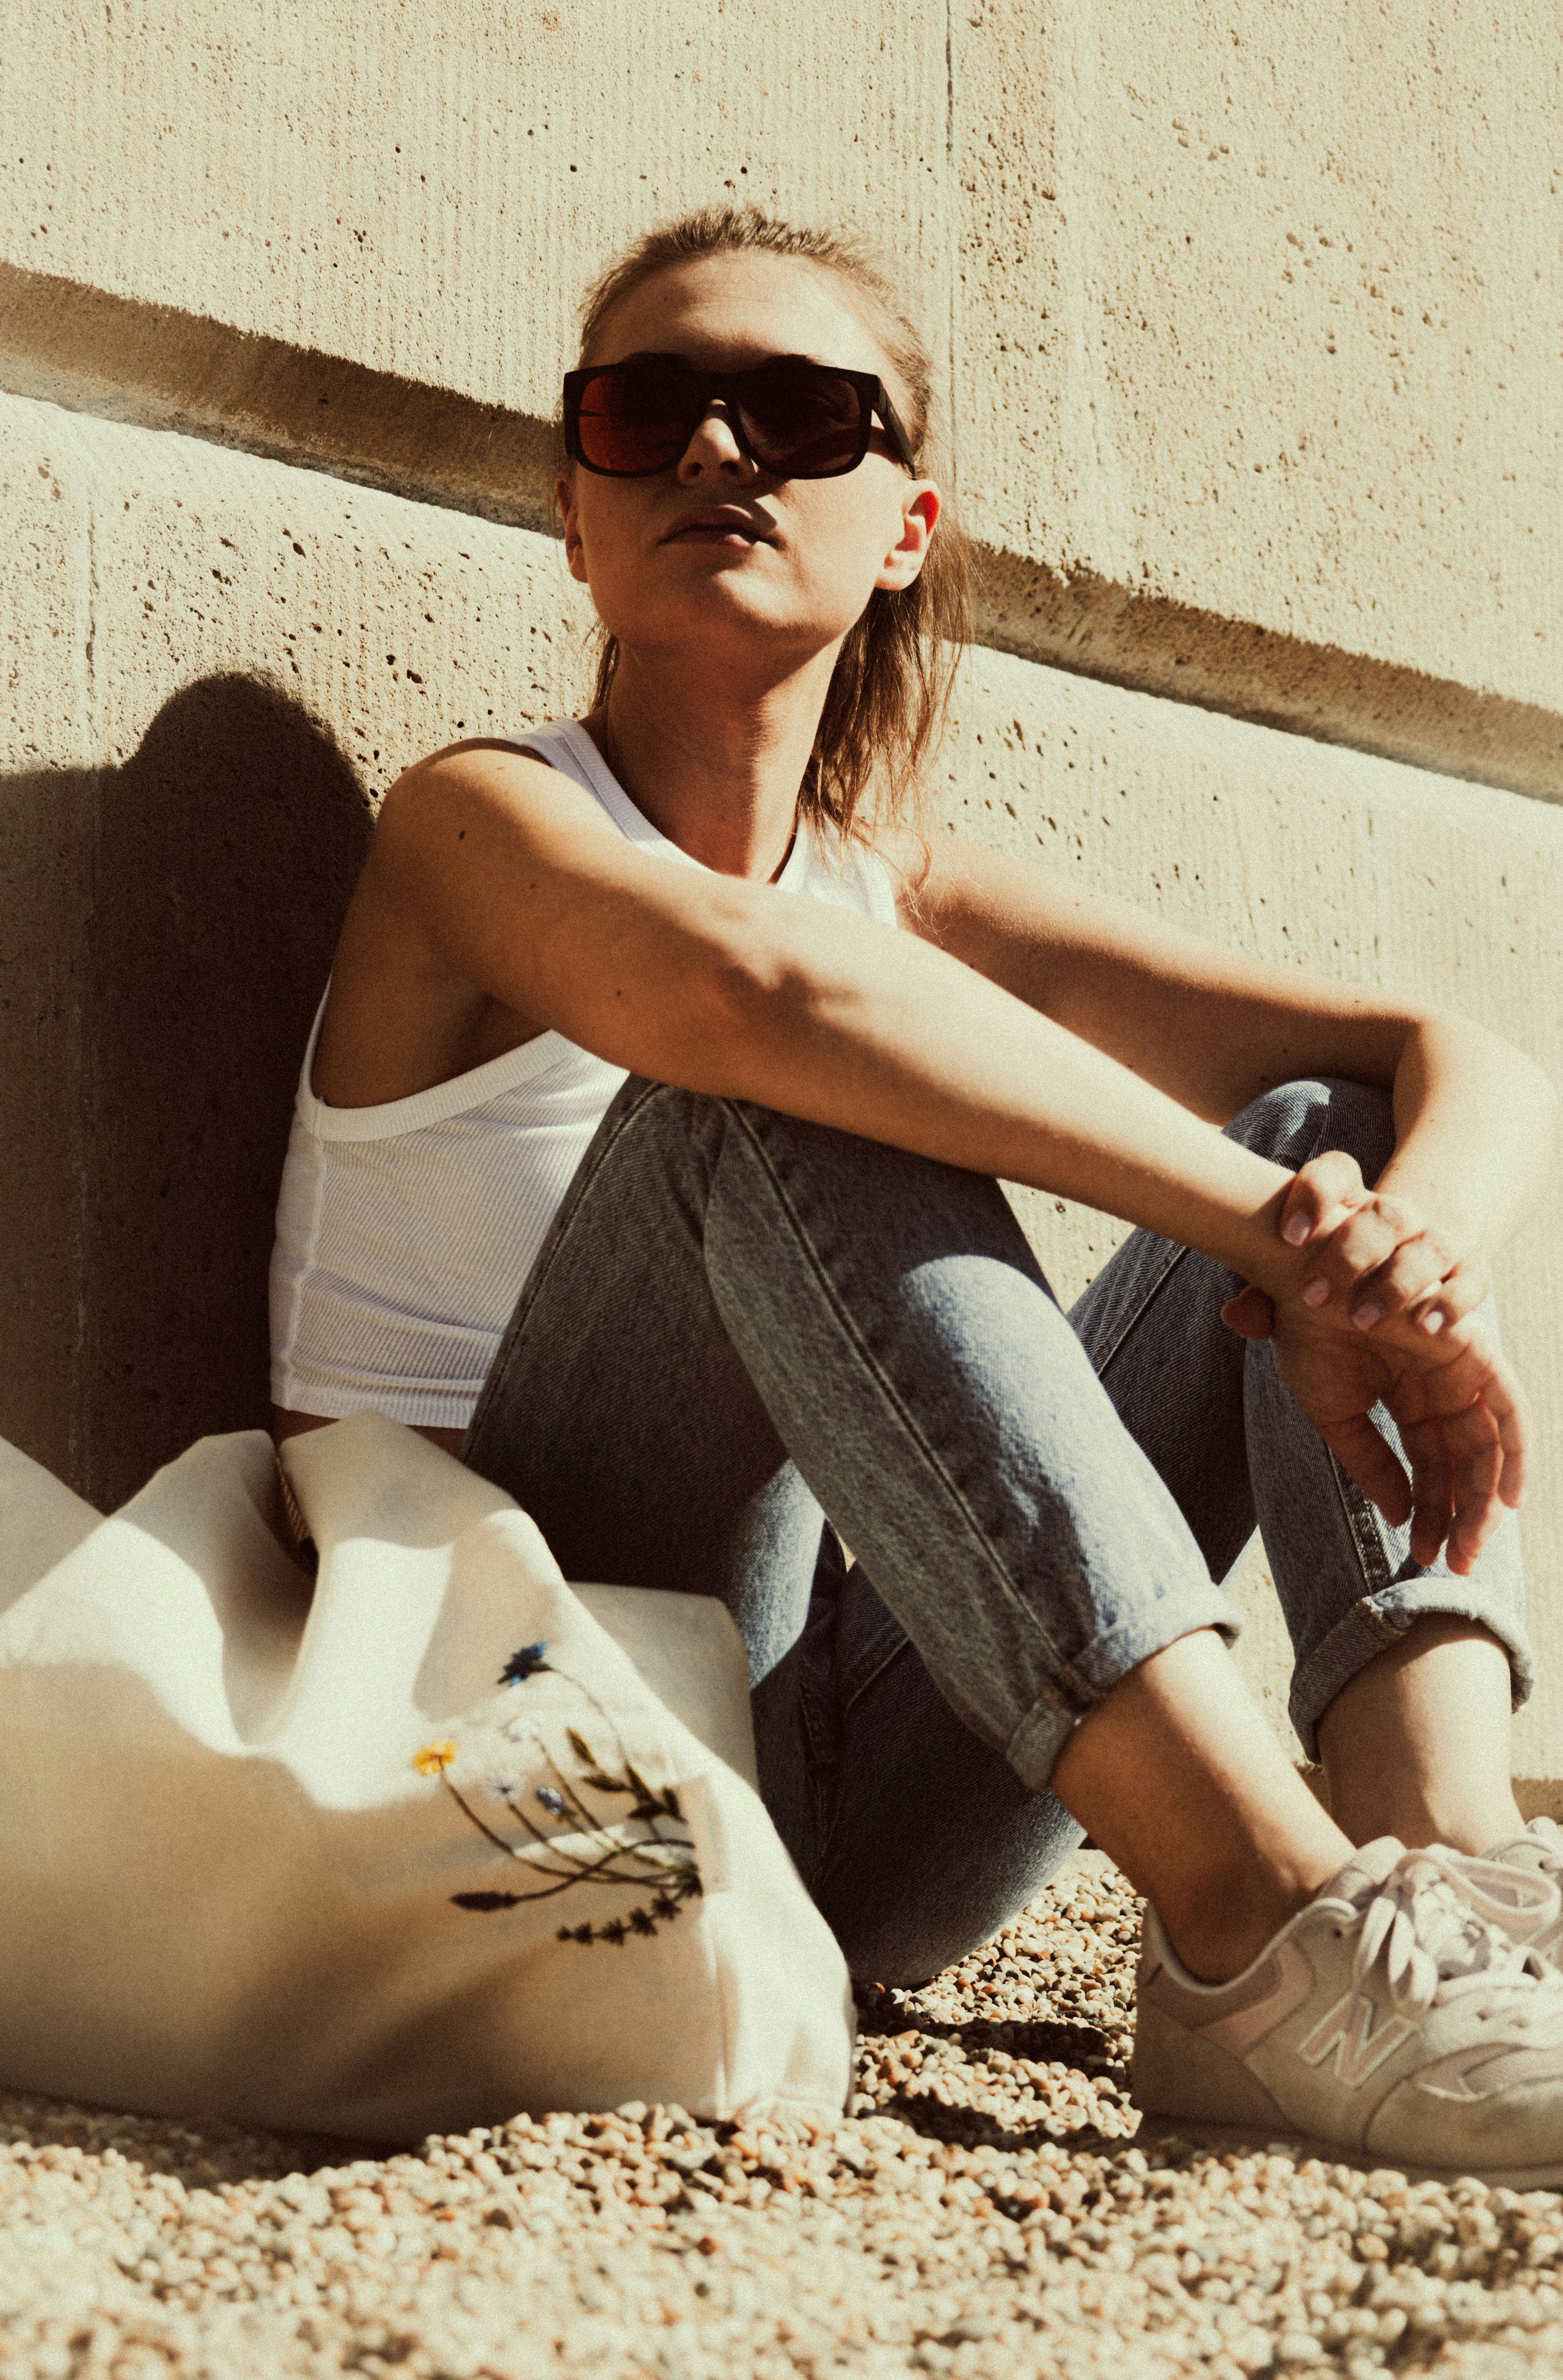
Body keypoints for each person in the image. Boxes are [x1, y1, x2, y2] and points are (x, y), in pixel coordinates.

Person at [270, 206, 1563, 2175]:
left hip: (836, 1818)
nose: (718, 451)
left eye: (797, 410)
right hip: (513, 1763)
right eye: (648, 410)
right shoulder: (483, 817)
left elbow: (1456, 1057)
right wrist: (1289, 1255)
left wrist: (1399, 1257)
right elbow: (755, 992)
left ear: (904, 526)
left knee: (1324, 1123)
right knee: (780, 1095)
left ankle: (1438, 1896)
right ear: (572, 516)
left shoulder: (906, 886)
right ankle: (1268, 1930)